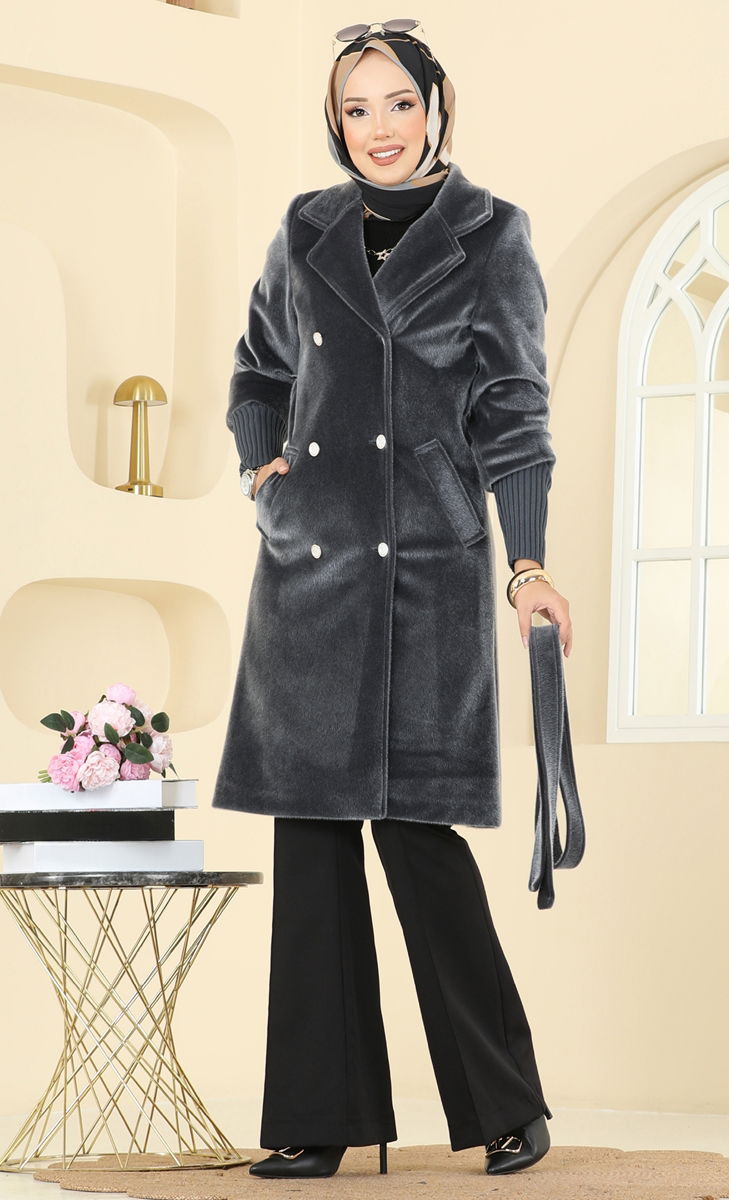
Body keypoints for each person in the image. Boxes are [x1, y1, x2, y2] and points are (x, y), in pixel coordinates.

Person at [214, 19, 573, 1181]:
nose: (378, 128)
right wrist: (264, 471)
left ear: (435, 105)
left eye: (398, 103)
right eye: (356, 108)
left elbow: (512, 410)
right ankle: (320, 1119)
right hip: (309, 577)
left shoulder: (489, 234)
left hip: (426, 573)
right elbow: (258, 373)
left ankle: (505, 1104)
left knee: (419, 844)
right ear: (335, 121)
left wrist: (525, 564)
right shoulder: (304, 229)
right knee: (313, 848)